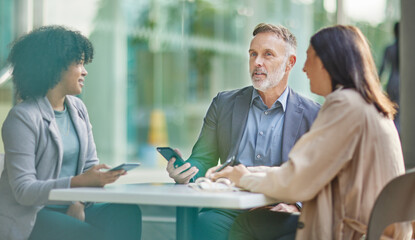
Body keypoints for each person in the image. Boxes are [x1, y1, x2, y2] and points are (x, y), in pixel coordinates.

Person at [209, 25, 412, 240]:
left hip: (352, 233)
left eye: (310, 58)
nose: (304, 69)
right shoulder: (369, 106)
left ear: (328, 63)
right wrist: (247, 173)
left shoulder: (344, 105)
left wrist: (244, 179)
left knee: (249, 224)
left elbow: (296, 180)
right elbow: (305, 170)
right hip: (373, 230)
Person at [166, 23, 320, 240]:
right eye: (253, 54)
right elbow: (203, 159)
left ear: (289, 63)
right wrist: (186, 171)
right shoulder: (224, 103)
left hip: (278, 210)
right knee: (205, 224)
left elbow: (317, 178)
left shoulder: (313, 115)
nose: (257, 62)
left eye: (268, 55)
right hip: (229, 209)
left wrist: (297, 205)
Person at [0, 26, 142, 240]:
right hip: (34, 213)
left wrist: (78, 202)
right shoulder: (22, 117)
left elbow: (89, 168)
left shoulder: (77, 109)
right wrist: (79, 183)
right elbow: (24, 190)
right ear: (54, 66)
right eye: (79, 63)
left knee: (125, 213)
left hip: (72, 205)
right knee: (91, 236)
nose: (84, 71)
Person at [379, 22, 400, 133]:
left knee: (393, 110)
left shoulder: (390, 48)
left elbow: (383, 69)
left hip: (392, 82)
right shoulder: (408, 49)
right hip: (402, 81)